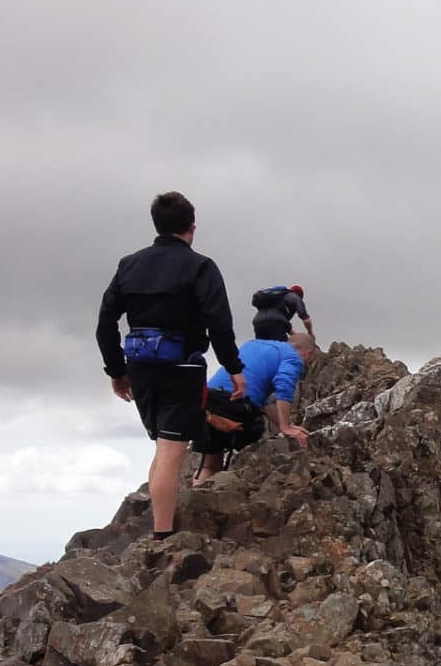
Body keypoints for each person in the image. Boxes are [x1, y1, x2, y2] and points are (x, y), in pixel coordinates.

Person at [95, 191, 245, 540]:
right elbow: (219, 322)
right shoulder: (200, 267)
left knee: (163, 447)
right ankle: (162, 536)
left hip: (140, 368)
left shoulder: (128, 265)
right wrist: (233, 367)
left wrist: (117, 371)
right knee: (170, 450)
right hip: (182, 368)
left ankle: (162, 525)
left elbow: (105, 323)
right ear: (191, 227)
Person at [194, 331, 318, 483]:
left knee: (209, 464)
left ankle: (199, 496)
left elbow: (262, 402)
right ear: (308, 353)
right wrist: (286, 428)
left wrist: (283, 423)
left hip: (208, 401)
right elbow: (284, 386)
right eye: (310, 361)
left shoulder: (254, 344)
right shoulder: (294, 358)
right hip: (236, 406)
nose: (307, 365)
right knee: (254, 448)